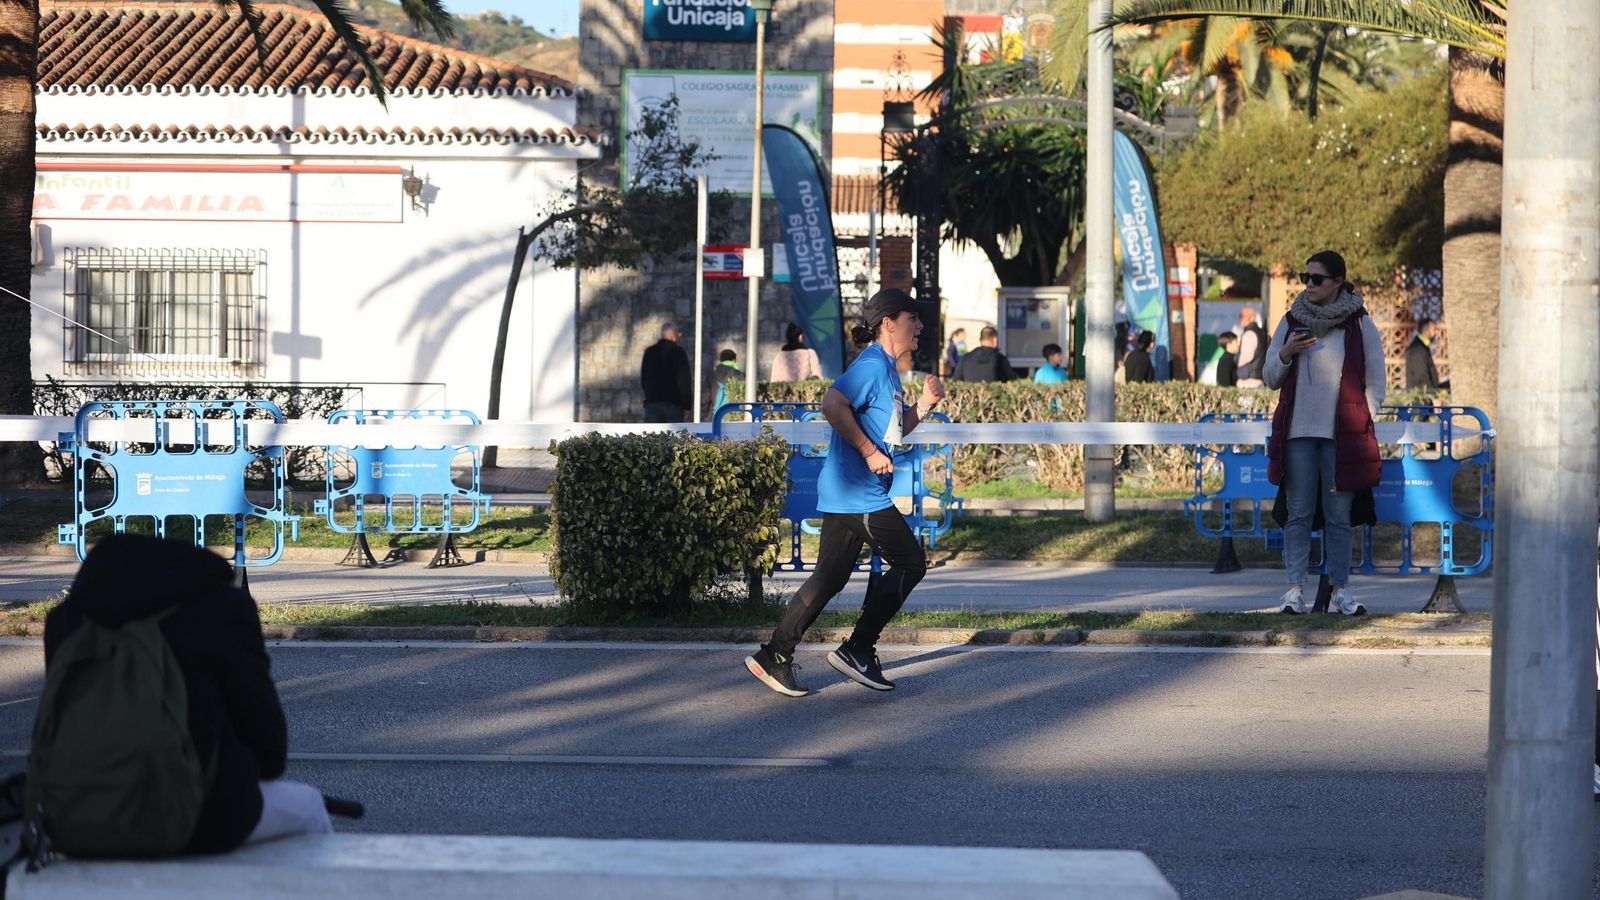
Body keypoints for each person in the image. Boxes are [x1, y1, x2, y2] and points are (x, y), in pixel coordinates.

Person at [41, 535, 332, 854]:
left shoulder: (66, 621)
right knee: (309, 808)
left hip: (72, 815)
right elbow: (268, 751)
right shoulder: (224, 609)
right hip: (196, 817)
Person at [745, 288, 946, 697]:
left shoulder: (886, 369)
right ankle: (857, 649)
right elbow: (831, 402)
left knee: (830, 577)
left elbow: (892, 429)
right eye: (913, 319)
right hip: (860, 492)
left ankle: (774, 655)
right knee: (911, 564)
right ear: (889, 323)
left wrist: (924, 404)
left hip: (849, 489)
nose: (920, 326)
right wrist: (869, 452)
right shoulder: (872, 365)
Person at [1263, 250, 1385, 616]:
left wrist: (1363, 416)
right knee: (1298, 514)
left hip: (1342, 437)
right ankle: (1294, 591)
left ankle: (1340, 591)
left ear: (1337, 282)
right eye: (1305, 278)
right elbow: (1270, 376)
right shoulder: (1291, 321)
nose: (1309, 285)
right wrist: (1286, 352)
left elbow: (1376, 382)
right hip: (1298, 435)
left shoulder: (1359, 323)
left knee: (1338, 516)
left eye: (1316, 279)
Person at [640, 322, 691, 423]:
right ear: (673, 336)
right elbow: (684, 381)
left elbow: (644, 378)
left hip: (652, 403)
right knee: (674, 436)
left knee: (651, 436)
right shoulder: (678, 352)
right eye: (678, 334)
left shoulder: (649, 352)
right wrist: (686, 406)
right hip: (673, 405)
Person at [952, 326, 1016, 383]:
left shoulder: (965, 359)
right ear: (995, 340)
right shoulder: (1000, 360)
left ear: (980, 340)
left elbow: (955, 381)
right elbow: (1013, 381)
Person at [1405, 317, 1449, 392]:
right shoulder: (1417, 349)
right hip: (1420, 398)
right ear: (1426, 330)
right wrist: (1432, 396)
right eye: (1434, 330)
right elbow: (1421, 377)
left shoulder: (1422, 347)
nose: (1436, 333)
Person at [1235, 306, 1269, 388]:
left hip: (1249, 381)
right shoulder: (1262, 333)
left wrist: (1236, 360)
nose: (1240, 319)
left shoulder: (1249, 334)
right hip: (1261, 378)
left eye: (1242, 316)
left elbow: (1246, 357)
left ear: (1252, 318)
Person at [708, 348, 742, 418]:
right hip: (733, 415)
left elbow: (705, 397)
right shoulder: (739, 375)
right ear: (734, 360)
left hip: (714, 415)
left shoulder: (711, 375)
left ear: (720, 360)